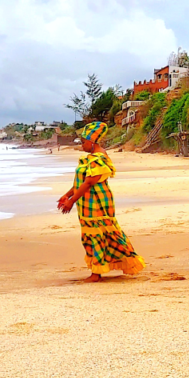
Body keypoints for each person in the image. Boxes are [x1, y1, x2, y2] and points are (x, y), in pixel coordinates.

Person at [57, 121, 146, 282]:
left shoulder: (98, 158)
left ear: (92, 142)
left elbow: (89, 182)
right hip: (86, 203)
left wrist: (71, 201)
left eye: (84, 142)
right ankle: (99, 269)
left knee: (96, 234)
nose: (82, 146)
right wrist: (67, 195)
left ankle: (96, 273)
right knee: (97, 234)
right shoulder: (91, 158)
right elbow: (80, 182)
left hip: (96, 203)